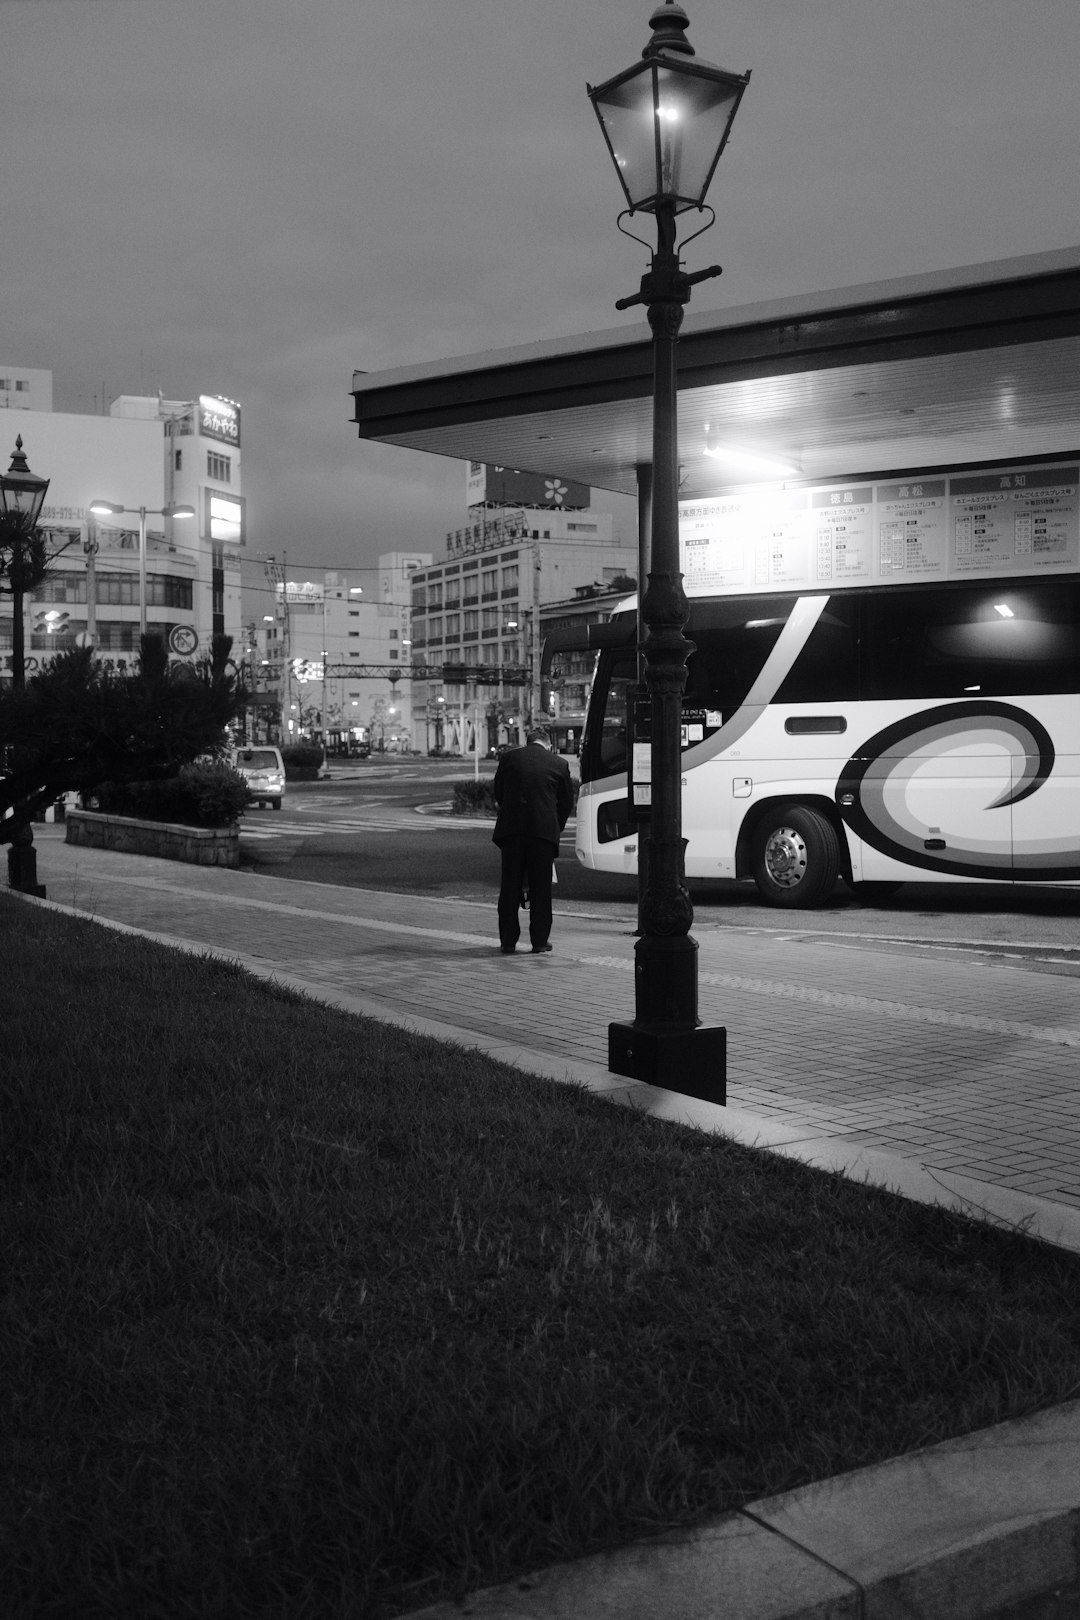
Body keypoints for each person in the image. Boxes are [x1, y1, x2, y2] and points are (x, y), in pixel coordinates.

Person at [492, 725, 574, 955]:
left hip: (512, 832)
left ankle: (508, 941)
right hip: (542, 833)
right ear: (548, 745)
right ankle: (539, 941)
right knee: (541, 888)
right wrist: (554, 824)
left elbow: (499, 792)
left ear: (528, 742)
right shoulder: (558, 764)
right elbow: (566, 802)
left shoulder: (509, 758)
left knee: (510, 885)